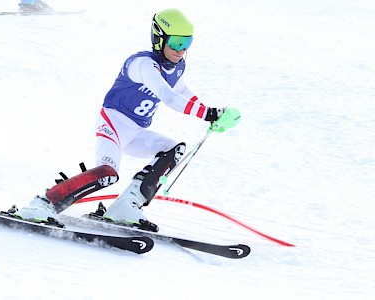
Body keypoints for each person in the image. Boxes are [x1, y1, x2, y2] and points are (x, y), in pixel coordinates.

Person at [13, 8, 225, 232]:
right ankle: (41, 205)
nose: (180, 50)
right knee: (107, 174)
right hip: (113, 125)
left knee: (174, 150)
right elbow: (169, 97)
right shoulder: (143, 64)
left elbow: (180, 89)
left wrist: (213, 112)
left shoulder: (177, 66)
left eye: (186, 43)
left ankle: (126, 206)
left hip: (136, 133)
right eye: (175, 43)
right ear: (159, 38)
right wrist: (206, 113)